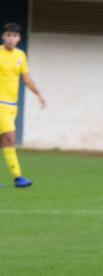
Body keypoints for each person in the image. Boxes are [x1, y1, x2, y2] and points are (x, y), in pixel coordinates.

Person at [0, 22, 46, 188]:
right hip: (0, 104)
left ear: (19, 38)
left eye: (14, 36)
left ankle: (16, 177)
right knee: (10, 137)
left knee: (3, 141)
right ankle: (18, 177)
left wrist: (38, 94)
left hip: (13, 105)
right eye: (8, 35)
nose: (11, 39)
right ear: (3, 36)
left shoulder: (21, 55)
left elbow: (26, 78)